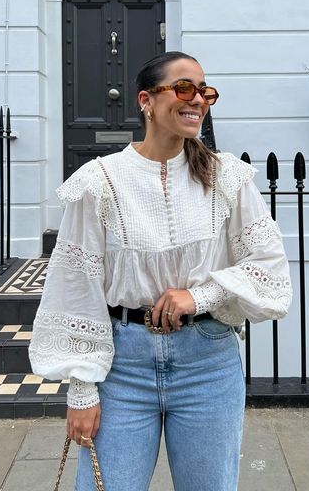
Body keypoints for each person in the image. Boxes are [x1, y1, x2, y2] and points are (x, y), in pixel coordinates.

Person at [29, 51, 292, 491]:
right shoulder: (100, 181)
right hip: (122, 366)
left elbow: (270, 270)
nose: (198, 100)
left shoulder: (228, 178)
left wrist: (200, 295)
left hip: (208, 361)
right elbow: (75, 286)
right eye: (184, 88)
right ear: (146, 101)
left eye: (205, 92)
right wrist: (81, 388)